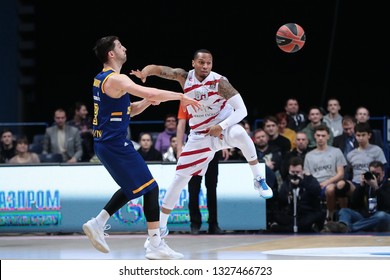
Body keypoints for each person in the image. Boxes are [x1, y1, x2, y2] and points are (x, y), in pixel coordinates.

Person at [131, 48, 272, 243]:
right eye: (201, 62)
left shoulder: (220, 82)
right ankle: (161, 227)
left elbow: (242, 110)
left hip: (222, 130)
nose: (205, 66)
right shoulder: (184, 77)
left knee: (240, 133)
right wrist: (145, 72)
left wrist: (221, 126)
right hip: (198, 137)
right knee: (179, 180)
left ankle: (258, 178)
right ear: (193, 63)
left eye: (209, 63)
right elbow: (160, 69)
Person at [82, 35, 200, 260]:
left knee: (134, 188)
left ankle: (98, 223)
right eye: (120, 46)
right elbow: (153, 92)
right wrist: (180, 96)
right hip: (115, 145)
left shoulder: (101, 79)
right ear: (111, 54)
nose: (125, 47)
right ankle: (155, 244)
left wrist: (146, 103)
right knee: (151, 188)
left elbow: (128, 110)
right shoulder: (118, 80)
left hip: (107, 144)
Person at [176, 103, 229, 235]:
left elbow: (221, 121)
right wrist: (179, 148)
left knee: (212, 187)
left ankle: (213, 224)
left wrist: (225, 144)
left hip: (213, 145)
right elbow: (181, 124)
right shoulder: (187, 99)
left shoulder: (212, 97)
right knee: (193, 187)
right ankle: (195, 223)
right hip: (194, 145)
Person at [323, 160, 390, 233]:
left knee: (381, 215)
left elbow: (387, 205)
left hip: (384, 218)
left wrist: (377, 188)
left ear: (383, 174)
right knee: (344, 211)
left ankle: (347, 228)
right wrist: (361, 186)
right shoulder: (367, 185)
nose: (375, 177)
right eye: (372, 174)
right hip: (367, 217)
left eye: (377, 174)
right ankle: (343, 225)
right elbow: (354, 203)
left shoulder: (388, 185)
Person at [304, 124, 348, 223]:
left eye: (323, 136)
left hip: (332, 182)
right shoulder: (309, 155)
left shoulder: (336, 152)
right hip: (316, 184)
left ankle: (330, 216)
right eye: (318, 135)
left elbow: (341, 174)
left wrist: (327, 182)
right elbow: (307, 175)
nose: (320, 138)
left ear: (328, 136)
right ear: (314, 136)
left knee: (331, 188)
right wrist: (315, 185)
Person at [270, 157, 325, 233]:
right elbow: (282, 199)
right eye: (292, 172)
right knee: (274, 215)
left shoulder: (310, 180)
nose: (295, 174)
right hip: (291, 214)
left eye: (297, 172)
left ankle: (286, 229)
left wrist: (302, 183)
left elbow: (317, 192)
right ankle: (292, 228)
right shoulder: (287, 181)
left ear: (303, 171)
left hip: (307, 213)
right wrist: (290, 188)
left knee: (310, 219)